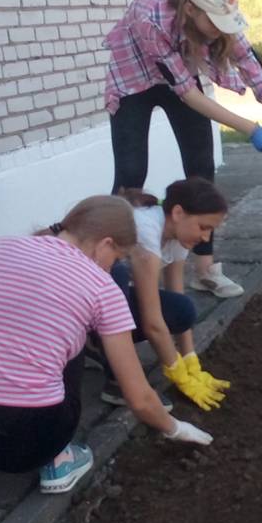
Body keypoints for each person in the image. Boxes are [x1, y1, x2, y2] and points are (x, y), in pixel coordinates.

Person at [0, 197, 212, 511]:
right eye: (119, 259)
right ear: (106, 244)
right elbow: (138, 398)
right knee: (73, 338)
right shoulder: (102, 288)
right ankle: (60, 460)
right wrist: (176, 429)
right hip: (32, 442)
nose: (114, 267)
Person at [104, 0, 262, 300]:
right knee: (131, 175)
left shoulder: (223, 25)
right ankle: (110, 267)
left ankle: (205, 270)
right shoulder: (151, 19)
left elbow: (261, 82)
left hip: (178, 75)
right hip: (132, 79)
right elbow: (189, 95)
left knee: (201, 169)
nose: (219, 31)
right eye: (213, 23)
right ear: (190, 9)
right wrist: (252, 129)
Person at [105, 177, 232, 413]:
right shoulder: (145, 231)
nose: (205, 238)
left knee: (182, 310)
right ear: (178, 212)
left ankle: (103, 347)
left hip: (104, 296)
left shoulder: (176, 234)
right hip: (69, 304)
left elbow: (176, 293)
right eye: (203, 227)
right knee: (118, 277)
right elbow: (152, 321)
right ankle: (116, 376)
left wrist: (190, 360)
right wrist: (178, 374)